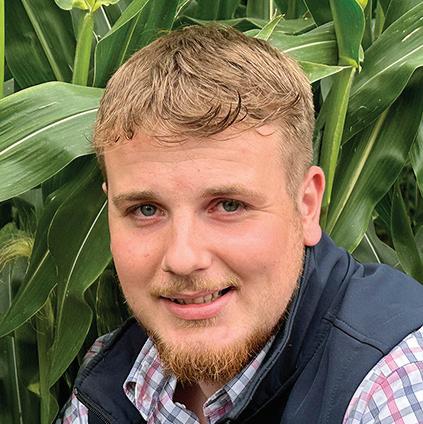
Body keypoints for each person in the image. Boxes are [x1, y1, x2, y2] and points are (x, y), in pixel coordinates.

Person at [59, 25, 423, 424]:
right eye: (146, 210)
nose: (183, 259)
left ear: (306, 206)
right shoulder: (109, 378)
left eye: (228, 205)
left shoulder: (390, 382)